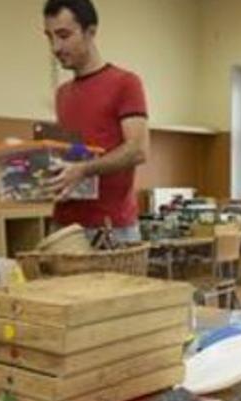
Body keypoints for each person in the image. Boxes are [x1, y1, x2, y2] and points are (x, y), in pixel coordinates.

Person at [42, 0, 149, 241]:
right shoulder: (62, 94)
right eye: (50, 37)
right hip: (64, 228)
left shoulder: (126, 83)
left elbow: (138, 151)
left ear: (90, 32)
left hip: (111, 229)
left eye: (64, 35)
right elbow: (70, 157)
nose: (55, 47)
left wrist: (83, 170)